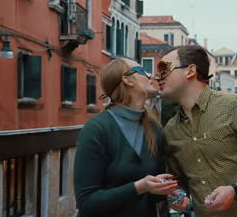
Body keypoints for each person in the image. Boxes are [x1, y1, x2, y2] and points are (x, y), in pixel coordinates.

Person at [155, 45, 237, 217]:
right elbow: (181, 182)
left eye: (164, 69)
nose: (156, 76)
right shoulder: (170, 131)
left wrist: (236, 189)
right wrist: (179, 197)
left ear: (190, 71)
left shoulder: (235, 106)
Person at [74, 57, 188, 217]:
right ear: (127, 80)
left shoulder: (154, 129)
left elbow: (152, 191)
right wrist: (140, 187)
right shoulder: (96, 130)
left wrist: (171, 196)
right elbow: (86, 202)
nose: (150, 75)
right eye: (141, 71)